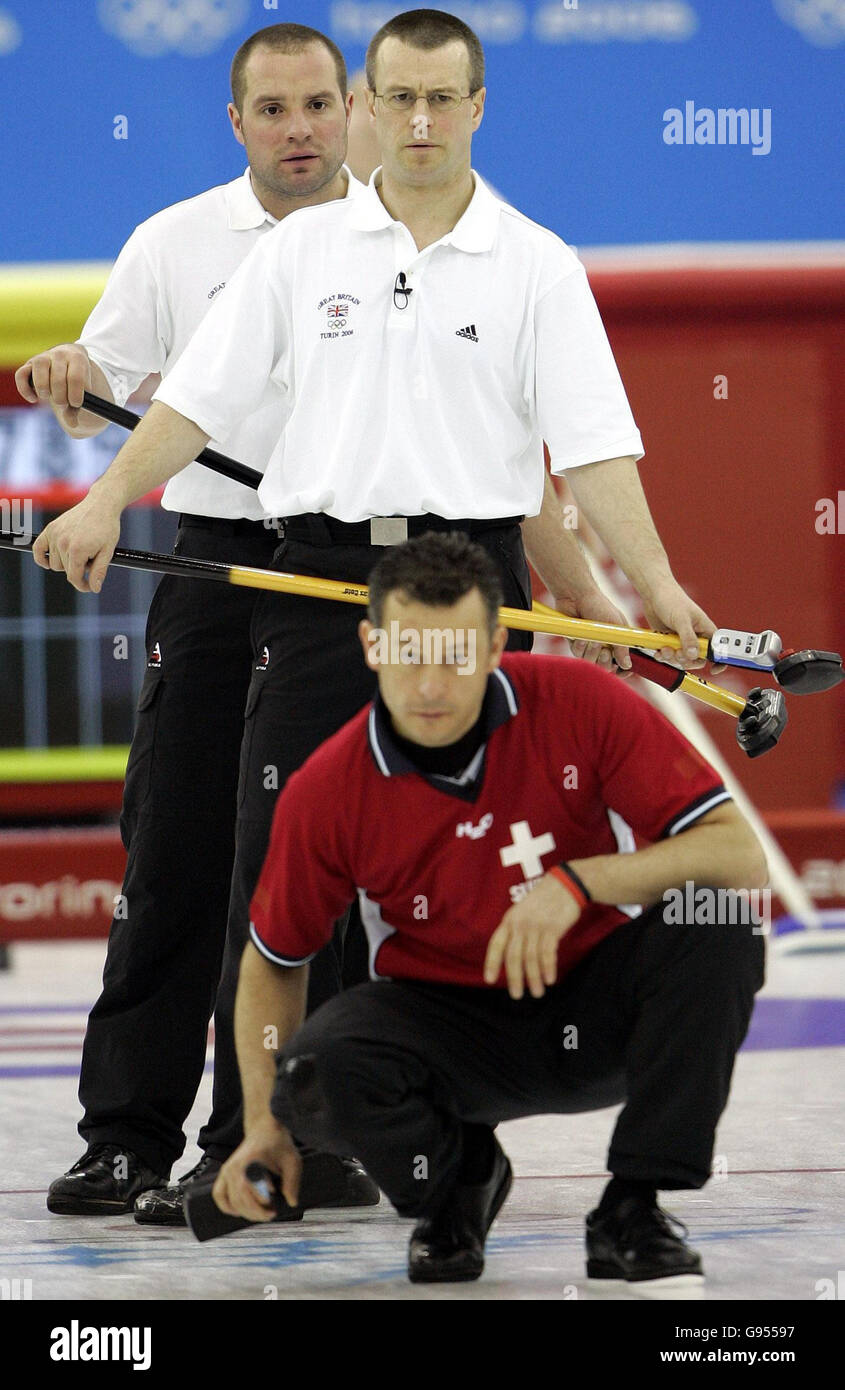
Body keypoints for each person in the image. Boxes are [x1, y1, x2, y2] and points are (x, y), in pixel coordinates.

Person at [27, 9, 722, 1223]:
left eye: (439, 99)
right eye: (392, 98)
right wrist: (102, 505)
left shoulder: (536, 264)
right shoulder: (295, 261)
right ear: (364, 105)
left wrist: (653, 596)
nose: (414, 122)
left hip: (471, 581)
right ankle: (254, 1142)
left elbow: (593, 456)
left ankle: (428, 1131)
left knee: (452, 875)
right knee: (271, 865)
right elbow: (191, 404)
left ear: (477, 104)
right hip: (320, 582)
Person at [15, 22, 383, 1222]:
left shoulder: (401, 247)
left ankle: (273, 1140)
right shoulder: (173, 242)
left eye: (318, 107)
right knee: (171, 851)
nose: (297, 131)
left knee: (299, 872)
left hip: (338, 573)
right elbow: (104, 389)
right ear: (236, 123)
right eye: (271, 110)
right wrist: (70, 370)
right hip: (215, 562)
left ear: (350, 110)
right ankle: (125, 1135)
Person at [213, 531, 767, 1286]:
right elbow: (274, 960)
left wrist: (578, 883)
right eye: (409, 654)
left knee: (718, 922)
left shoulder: (581, 701)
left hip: (600, 1008)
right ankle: (455, 1188)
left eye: (455, 656)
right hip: (448, 1036)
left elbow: (739, 856)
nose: (432, 686)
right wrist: (260, 1128)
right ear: (371, 644)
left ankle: (634, 1205)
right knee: (318, 1070)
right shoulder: (326, 787)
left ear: (498, 641)